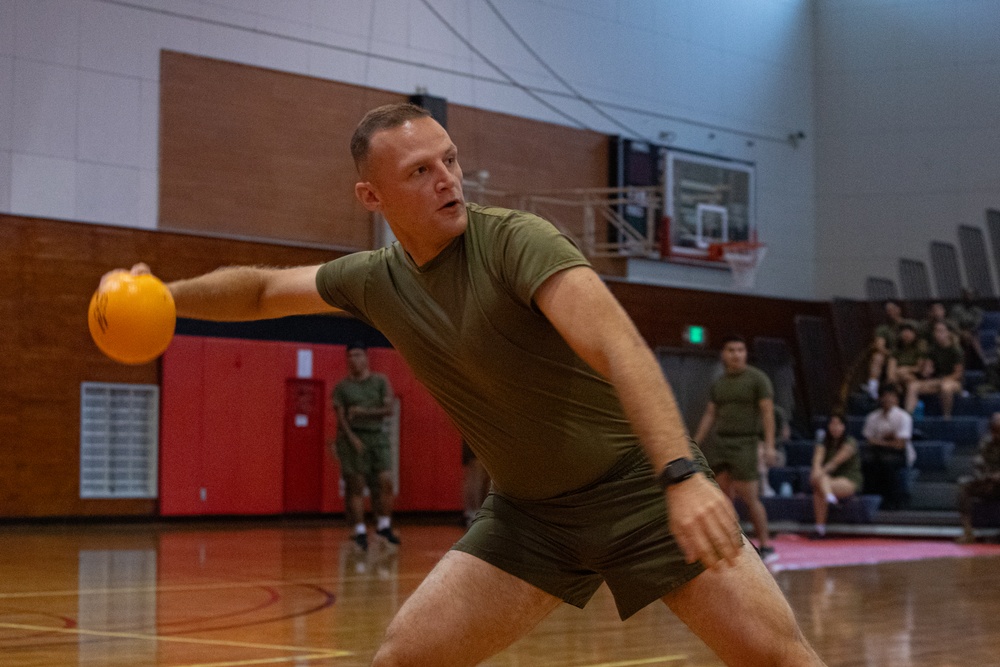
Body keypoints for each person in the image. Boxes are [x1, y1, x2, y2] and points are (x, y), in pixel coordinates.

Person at [114, 103, 823, 666]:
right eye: (421, 170)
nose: (448, 179)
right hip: (531, 519)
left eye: (450, 160)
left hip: (638, 489)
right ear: (372, 194)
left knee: (775, 656)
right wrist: (167, 299)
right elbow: (265, 290)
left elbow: (618, 342)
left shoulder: (518, 241)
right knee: (405, 658)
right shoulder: (375, 280)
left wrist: (682, 474)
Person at [693, 334, 778, 562]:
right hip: (721, 443)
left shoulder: (757, 379)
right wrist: (695, 444)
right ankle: (730, 542)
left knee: (749, 496)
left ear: (745, 353)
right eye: (731, 350)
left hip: (745, 443)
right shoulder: (719, 384)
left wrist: (769, 446)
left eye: (740, 350)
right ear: (724, 354)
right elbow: (710, 414)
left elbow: (768, 413)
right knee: (722, 497)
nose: (736, 354)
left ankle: (766, 545)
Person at [331, 342, 400, 550]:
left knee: (385, 481)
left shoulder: (379, 381)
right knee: (356, 485)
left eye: (358, 355)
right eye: (350, 356)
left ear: (366, 358)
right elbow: (341, 418)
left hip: (377, 437)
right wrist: (352, 439)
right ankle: (359, 529)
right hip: (353, 439)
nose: (354, 359)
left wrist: (362, 412)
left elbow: (388, 409)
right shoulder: (342, 387)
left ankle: (384, 525)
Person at [861, 384, 915, 510]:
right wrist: (887, 440)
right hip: (878, 452)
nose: (888, 399)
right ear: (880, 398)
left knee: (887, 462)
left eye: (891, 396)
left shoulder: (904, 417)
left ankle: (892, 502)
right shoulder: (872, 417)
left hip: (900, 454)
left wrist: (880, 441)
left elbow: (900, 445)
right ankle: (870, 500)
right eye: (885, 396)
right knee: (867, 461)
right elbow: (869, 441)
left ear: (896, 399)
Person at [809, 414, 863, 539]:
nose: (835, 427)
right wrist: (816, 473)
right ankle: (829, 499)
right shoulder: (823, 442)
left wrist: (818, 476)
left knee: (820, 485)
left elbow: (834, 464)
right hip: (827, 480)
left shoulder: (850, 443)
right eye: (833, 424)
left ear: (844, 426)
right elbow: (817, 462)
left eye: (839, 424)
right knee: (821, 483)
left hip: (848, 479)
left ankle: (821, 525)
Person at [905, 320, 965, 419]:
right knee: (913, 386)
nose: (938, 334)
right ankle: (908, 417)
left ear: (948, 333)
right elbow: (927, 371)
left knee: (945, 387)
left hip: (953, 382)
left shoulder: (956, 350)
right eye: (936, 331)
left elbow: (958, 374)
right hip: (937, 381)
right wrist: (926, 370)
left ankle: (946, 417)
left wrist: (943, 380)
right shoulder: (932, 350)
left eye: (941, 331)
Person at [956, 412, 1000, 543]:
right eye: (994, 430)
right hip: (988, 481)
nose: (997, 434)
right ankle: (968, 532)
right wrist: (985, 476)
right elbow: (978, 463)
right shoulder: (986, 442)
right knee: (963, 484)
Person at [864, 301, 909, 399]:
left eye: (892, 309)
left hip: (909, 355)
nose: (890, 312)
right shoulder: (883, 329)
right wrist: (892, 354)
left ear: (899, 309)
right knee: (878, 357)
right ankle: (872, 388)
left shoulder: (909, 325)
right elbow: (880, 346)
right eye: (888, 310)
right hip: (891, 356)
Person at [461, 440, 491, 527]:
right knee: (478, 474)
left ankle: (472, 513)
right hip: (480, 438)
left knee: (474, 474)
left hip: (473, 437)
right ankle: (475, 513)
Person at [885, 322, 923, 389]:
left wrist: (906, 369)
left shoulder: (920, 348)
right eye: (904, 331)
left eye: (910, 331)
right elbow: (891, 368)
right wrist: (895, 375)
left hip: (916, 375)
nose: (907, 334)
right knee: (892, 379)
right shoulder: (896, 350)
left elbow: (920, 368)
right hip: (898, 375)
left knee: (907, 377)